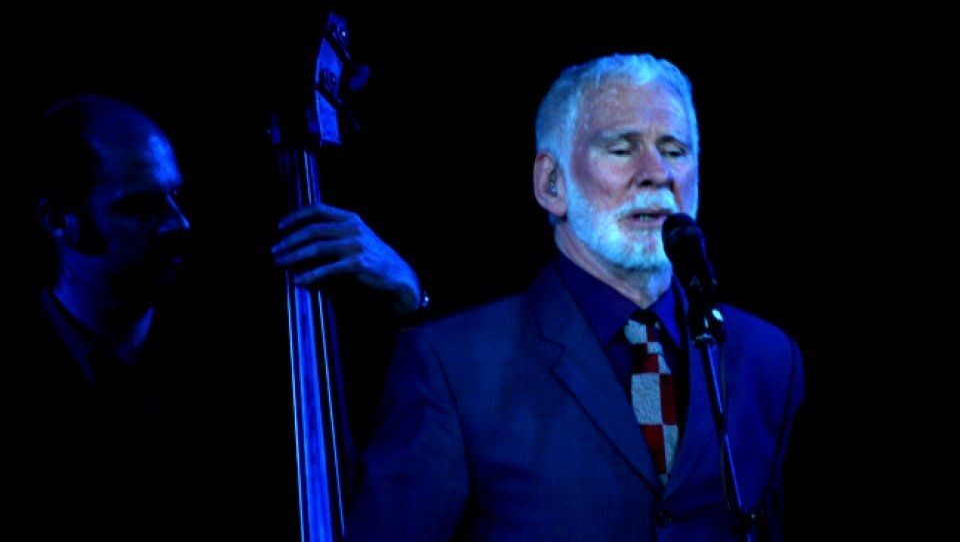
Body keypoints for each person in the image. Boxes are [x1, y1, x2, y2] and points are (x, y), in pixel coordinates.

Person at [346, 53, 804, 541]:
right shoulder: (453, 365)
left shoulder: (767, 358)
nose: (657, 173)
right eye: (622, 149)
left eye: (674, 150)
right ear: (552, 183)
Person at [9, 94, 423, 540]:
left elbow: (406, 473)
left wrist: (409, 298)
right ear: (59, 221)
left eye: (175, 195)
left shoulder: (241, 359)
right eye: (139, 205)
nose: (179, 223)